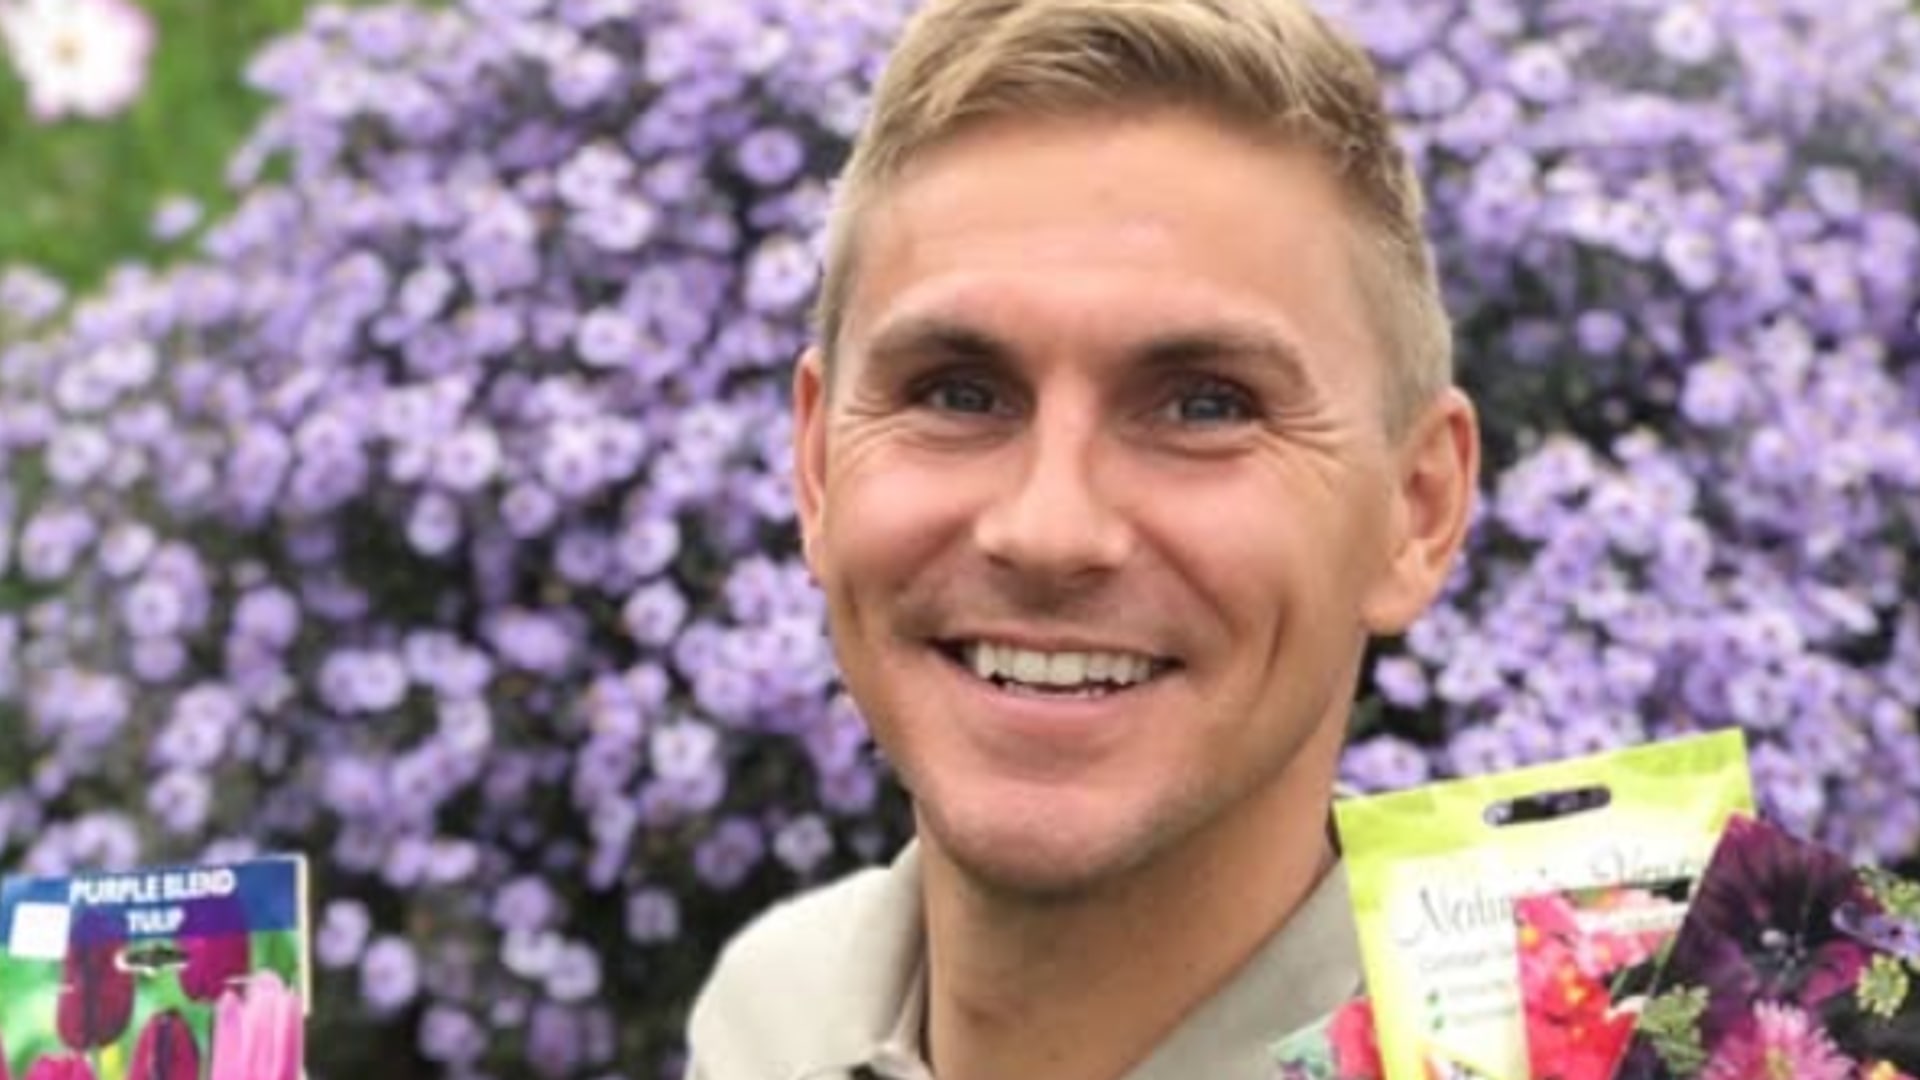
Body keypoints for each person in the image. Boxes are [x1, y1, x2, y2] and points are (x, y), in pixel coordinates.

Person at [685, 0, 1479, 1076]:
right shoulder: (772, 1013)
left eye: (1205, 407)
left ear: (1416, 511)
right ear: (819, 467)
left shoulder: (1665, 1037)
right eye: (958, 392)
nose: (1049, 530)